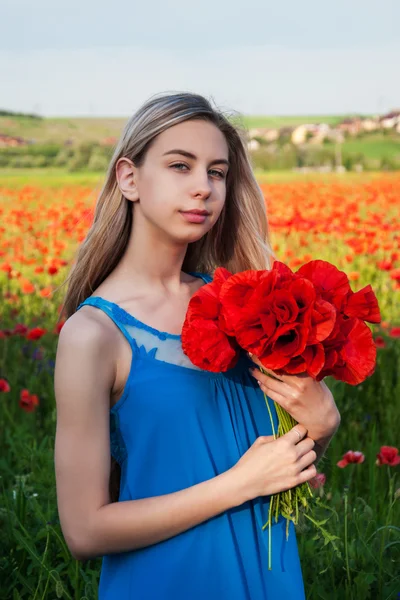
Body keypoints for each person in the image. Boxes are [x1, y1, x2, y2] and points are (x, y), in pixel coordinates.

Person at [53, 91, 340, 599]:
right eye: (180, 166)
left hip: (270, 578)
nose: (202, 188)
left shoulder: (243, 308)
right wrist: (240, 484)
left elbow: (277, 472)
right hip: (171, 581)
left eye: (217, 172)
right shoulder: (93, 334)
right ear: (129, 178)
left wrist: (321, 427)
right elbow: (84, 531)